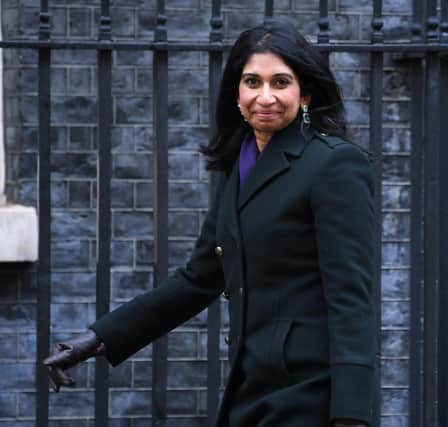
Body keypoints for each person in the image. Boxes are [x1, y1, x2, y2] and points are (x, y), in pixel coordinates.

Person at [44, 21, 377, 427]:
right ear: (236, 93)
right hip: (250, 387)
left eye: (281, 82)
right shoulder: (239, 169)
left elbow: (351, 298)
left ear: (304, 94)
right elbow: (199, 277)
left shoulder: (334, 164)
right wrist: (96, 340)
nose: (265, 96)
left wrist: (351, 415)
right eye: (252, 81)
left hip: (310, 394)